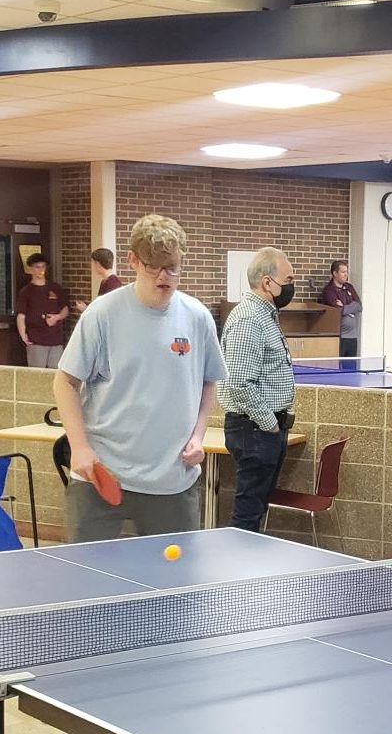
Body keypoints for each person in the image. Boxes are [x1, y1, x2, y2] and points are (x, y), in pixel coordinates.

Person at [55, 215, 224, 541]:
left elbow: (208, 382)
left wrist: (198, 436)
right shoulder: (101, 314)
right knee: (90, 583)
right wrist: (79, 447)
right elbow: (65, 382)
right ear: (132, 259)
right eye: (153, 266)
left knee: (175, 587)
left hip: (172, 480)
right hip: (100, 476)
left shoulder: (198, 317)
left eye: (172, 267)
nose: (164, 276)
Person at [219, 247, 296, 532]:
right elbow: (239, 382)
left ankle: (252, 569)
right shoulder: (250, 319)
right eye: (288, 281)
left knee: (258, 507)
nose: (291, 287)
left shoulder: (266, 315)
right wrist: (269, 425)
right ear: (267, 282)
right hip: (255, 430)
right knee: (248, 513)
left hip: (264, 429)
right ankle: (241, 574)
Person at [15, 253, 71, 369]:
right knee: (37, 374)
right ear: (30, 269)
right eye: (37, 267)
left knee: (55, 374)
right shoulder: (26, 291)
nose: (41, 270)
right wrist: (23, 335)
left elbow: (65, 309)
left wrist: (57, 317)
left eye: (43, 267)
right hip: (36, 339)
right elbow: (21, 316)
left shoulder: (55, 288)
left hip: (56, 340)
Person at [318, 259, 362, 359]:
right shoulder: (329, 291)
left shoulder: (349, 287)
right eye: (343, 272)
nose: (346, 274)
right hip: (340, 338)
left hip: (353, 337)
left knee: (351, 368)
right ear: (335, 273)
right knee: (339, 367)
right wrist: (348, 308)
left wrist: (344, 307)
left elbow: (359, 305)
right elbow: (338, 311)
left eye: (346, 272)